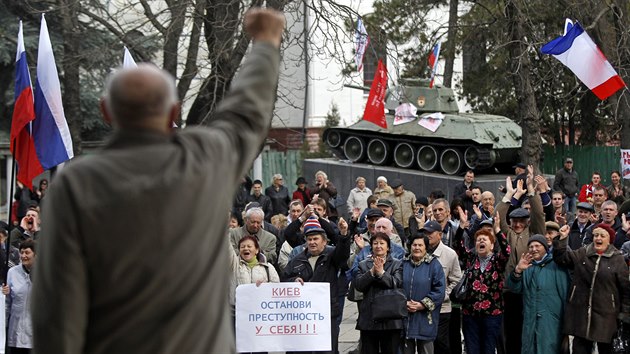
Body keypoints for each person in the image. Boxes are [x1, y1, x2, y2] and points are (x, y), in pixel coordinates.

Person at [31, 9, 285, 354]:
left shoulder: (76, 185)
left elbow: (57, 308)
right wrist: (266, 44)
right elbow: (246, 114)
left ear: (107, 112)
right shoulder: (205, 160)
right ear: (175, 112)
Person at [553, 223, 630, 354]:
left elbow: (626, 290)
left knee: (605, 350)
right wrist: (562, 240)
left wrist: (624, 315)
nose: (598, 238)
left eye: (602, 236)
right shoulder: (583, 252)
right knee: (580, 349)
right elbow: (562, 259)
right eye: (595, 235)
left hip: (606, 316)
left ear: (609, 239)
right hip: (580, 314)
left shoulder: (617, 259)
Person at [283, 216, 351, 353]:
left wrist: (343, 234)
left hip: (327, 313)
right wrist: (293, 281)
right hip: (303, 316)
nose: (312, 242)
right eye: (309, 239)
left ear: (324, 241)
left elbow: (343, 255)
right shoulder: (297, 260)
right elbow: (284, 279)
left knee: (327, 349)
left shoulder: (332, 256)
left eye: (316, 239)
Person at [506, 234, 570, 354]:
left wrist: (567, 323)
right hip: (530, 319)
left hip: (551, 320)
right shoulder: (527, 266)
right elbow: (514, 288)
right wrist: (518, 271)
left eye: (537, 246)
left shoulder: (556, 266)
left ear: (545, 247)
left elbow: (565, 293)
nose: (534, 249)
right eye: (530, 246)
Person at [453, 221, 510, 354]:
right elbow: (457, 245)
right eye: (478, 240)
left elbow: (507, 251)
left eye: (484, 239)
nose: (481, 242)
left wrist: (497, 231)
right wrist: (461, 227)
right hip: (470, 314)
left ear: (491, 245)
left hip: (492, 314)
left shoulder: (497, 260)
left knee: (488, 349)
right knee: (472, 349)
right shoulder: (470, 258)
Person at [354, 232, 404, 354]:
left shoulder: (397, 264)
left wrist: (382, 273)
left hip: (391, 318)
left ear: (388, 247)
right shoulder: (363, 264)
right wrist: (371, 272)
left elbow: (396, 283)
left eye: (382, 243)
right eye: (375, 243)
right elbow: (359, 285)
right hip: (369, 318)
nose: (378, 246)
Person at [423, 220, 462, 354]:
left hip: (442, 307)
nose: (428, 235)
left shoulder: (450, 254)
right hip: (421, 307)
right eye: (425, 232)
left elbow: (456, 279)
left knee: (441, 342)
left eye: (431, 233)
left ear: (440, 234)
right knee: (425, 343)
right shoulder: (419, 250)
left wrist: (444, 294)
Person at [402, 233, 445, 354]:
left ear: (426, 247)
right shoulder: (402, 264)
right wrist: (403, 303)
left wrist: (422, 305)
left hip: (425, 316)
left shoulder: (434, 265)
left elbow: (439, 290)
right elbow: (396, 287)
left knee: (426, 349)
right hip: (405, 315)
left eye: (420, 245)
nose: (417, 248)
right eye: (414, 245)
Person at [228, 235, 280, 326]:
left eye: (249, 246)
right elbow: (227, 250)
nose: (245, 248)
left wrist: (266, 286)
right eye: (242, 247)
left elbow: (277, 289)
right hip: (237, 315)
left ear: (256, 250)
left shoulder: (268, 267)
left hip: (261, 315)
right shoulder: (234, 266)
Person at [3, 239, 37, 354]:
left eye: (27, 253)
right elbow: (7, 303)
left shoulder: (44, 272)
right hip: (15, 330)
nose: (23, 256)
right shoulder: (12, 272)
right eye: (21, 252)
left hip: (35, 331)